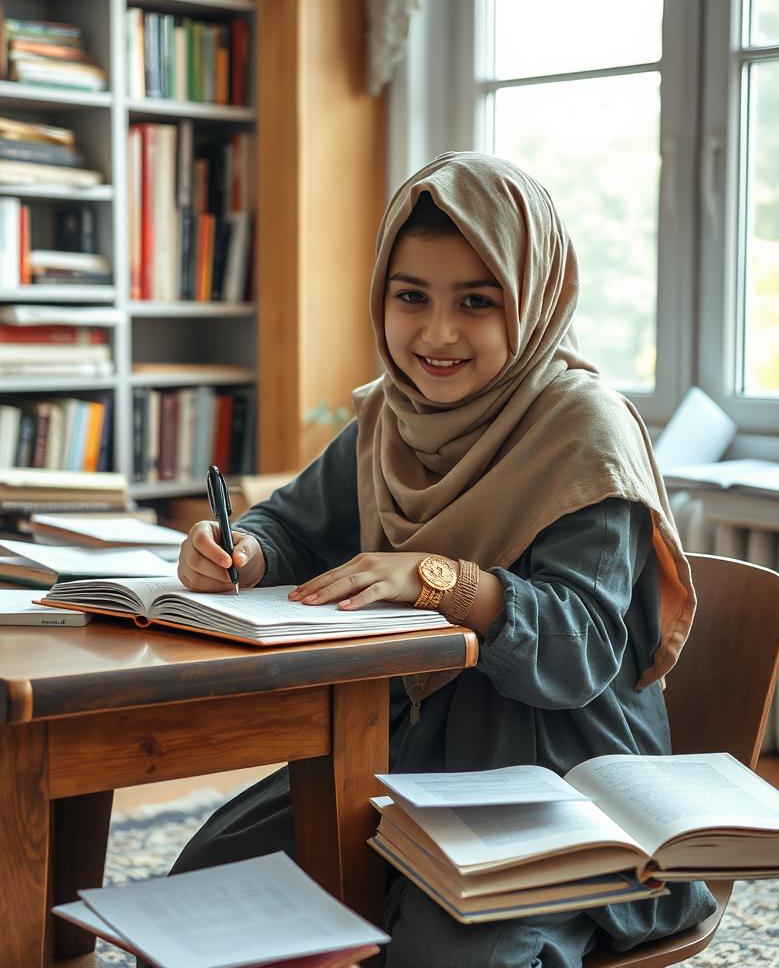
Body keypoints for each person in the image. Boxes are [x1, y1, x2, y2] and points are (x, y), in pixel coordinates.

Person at [171, 152, 717, 968]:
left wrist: (443, 580)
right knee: (204, 887)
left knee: (452, 951)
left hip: (556, 769)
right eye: (411, 297)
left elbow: (579, 648)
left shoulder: (584, 432)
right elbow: (292, 526)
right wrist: (239, 551)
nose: (436, 333)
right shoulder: (389, 418)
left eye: (477, 301)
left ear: (532, 302)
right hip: (402, 751)